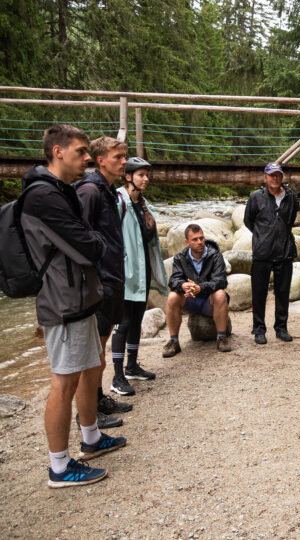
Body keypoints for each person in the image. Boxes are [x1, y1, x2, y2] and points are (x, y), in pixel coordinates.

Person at [20, 124, 126, 488]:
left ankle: (92, 438)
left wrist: (93, 240)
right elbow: (89, 244)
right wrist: (96, 241)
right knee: (63, 381)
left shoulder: (60, 191)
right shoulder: (43, 196)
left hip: (78, 294)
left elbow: (87, 239)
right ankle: (60, 467)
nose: (86, 158)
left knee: (88, 365)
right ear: (57, 152)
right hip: (61, 299)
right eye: (81, 151)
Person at [74, 137, 131, 429]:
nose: (124, 161)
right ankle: (88, 413)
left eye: (125, 156)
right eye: (118, 157)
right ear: (101, 160)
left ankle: (97, 399)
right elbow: (79, 239)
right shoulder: (90, 191)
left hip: (111, 279)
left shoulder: (108, 191)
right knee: (93, 352)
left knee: (102, 345)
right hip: (98, 283)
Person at [110, 158, 168, 396]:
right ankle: (117, 376)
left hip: (142, 272)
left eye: (147, 175)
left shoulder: (143, 204)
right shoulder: (118, 201)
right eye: (141, 175)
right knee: (122, 323)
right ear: (128, 176)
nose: (145, 179)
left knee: (136, 320)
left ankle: (131, 366)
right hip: (125, 272)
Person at [245, 162, 297, 344]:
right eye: (271, 175)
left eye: (278, 175)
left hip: (284, 251)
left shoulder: (291, 197)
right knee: (259, 293)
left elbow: (290, 221)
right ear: (265, 177)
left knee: (282, 293)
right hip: (262, 253)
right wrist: (263, 236)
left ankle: (281, 328)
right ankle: (259, 329)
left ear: (282, 177)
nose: (275, 178)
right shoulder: (256, 197)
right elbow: (248, 221)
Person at [162, 224, 232, 355]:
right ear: (187, 242)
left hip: (209, 302)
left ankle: (221, 337)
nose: (199, 242)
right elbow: (173, 280)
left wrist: (200, 287)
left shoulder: (215, 255)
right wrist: (183, 285)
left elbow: (221, 281)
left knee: (220, 294)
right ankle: (174, 341)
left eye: (201, 238)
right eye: (195, 239)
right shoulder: (180, 257)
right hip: (190, 301)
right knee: (172, 296)